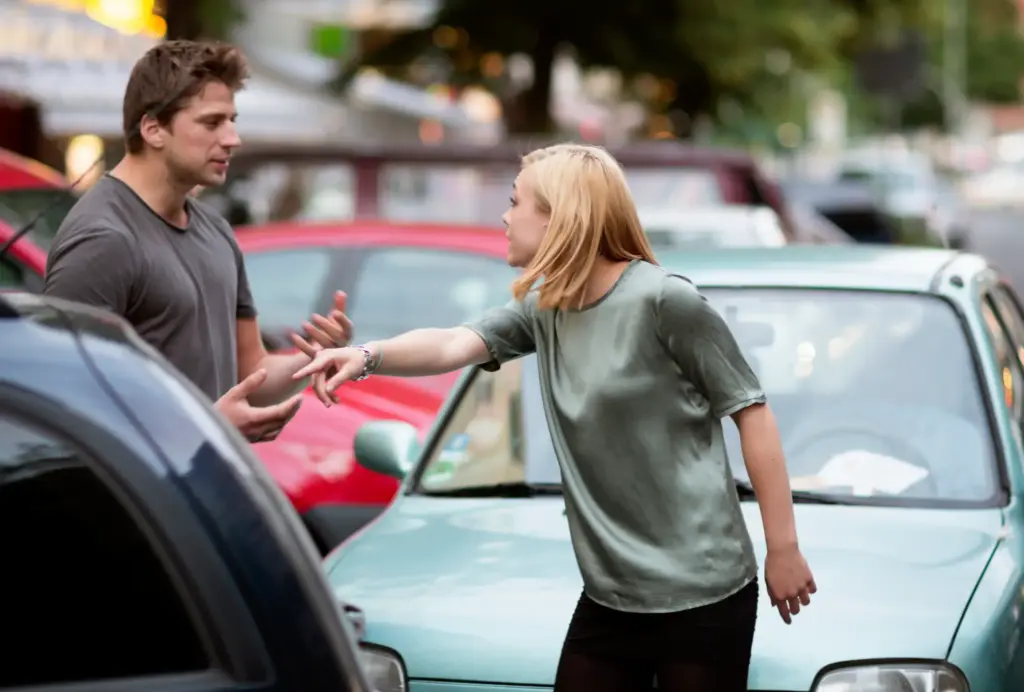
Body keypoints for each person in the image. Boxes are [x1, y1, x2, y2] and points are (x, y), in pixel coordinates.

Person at [291, 143, 816, 691]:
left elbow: (751, 411)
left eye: (515, 202)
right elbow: (451, 344)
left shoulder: (664, 302)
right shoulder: (546, 307)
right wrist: (366, 357)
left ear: (560, 217)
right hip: (611, 596)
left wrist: (782, 548)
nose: (504, 216)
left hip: (703, 594)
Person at [43, 40, 351, 443]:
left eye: (232, 120)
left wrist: (311, 360)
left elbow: (251, 371)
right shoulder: (102, 239)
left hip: (207, 477)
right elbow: (64, 405)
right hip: (141, 484)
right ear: (153, 128)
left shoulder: (215, 229)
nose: (233, 138)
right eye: (212, 123)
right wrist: (204, 426)